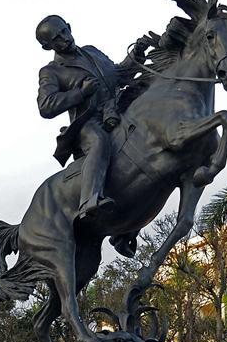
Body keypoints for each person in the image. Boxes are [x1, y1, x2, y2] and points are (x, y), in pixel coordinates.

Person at [35, 14, 147, 221]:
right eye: (57, 38)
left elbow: (119, 74)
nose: (64, 38)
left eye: (64, 31)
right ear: (47, 46)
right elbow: (46, 106)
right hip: (88, 123)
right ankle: (89, 200)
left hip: (116, 109)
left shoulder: (91, 52)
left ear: (69, 27)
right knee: (98, 142)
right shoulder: (51, 71)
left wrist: (137, 54)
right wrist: (80, 93)